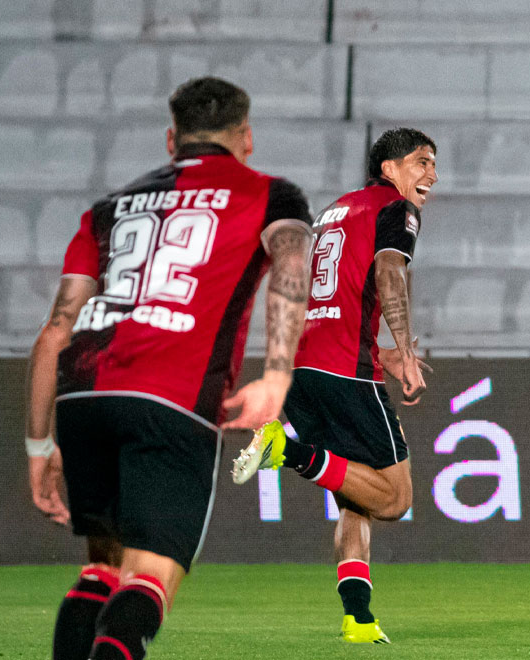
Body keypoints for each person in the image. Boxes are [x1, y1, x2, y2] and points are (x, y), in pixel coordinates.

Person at [24, 77, 314, 660]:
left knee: (103, 568)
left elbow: (55, 330)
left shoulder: (107, 209)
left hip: (84, 395)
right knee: (151, 577)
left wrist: (39, 445)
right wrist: (278, 375)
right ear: (246, 137)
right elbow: (292, 263)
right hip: (171, 396)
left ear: (171, 139)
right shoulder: (271, 195)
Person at [230, 127, 436, 644]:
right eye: (422, 161)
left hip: (303, 366)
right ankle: (288, 451)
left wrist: (380, 351)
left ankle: (358, 618)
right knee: (394, 498)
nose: (432, 174)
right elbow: (389, 272)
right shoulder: (396, 209)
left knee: (355, 494)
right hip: (344, 369)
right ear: (389, 168)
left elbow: (333, 293)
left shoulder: (335, 211)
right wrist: (404, 347)